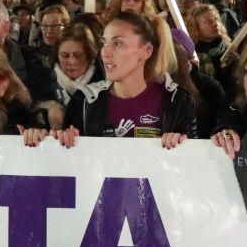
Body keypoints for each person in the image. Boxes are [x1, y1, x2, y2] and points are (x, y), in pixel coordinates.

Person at [58, 12, 195, 146]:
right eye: (104, 43)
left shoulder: (177, 100)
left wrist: (179, 146)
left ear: (146, 51)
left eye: (118, 43)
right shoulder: (83, 101)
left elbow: (195, 162)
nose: (105, 52)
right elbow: (66, 162)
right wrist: (58, 141)